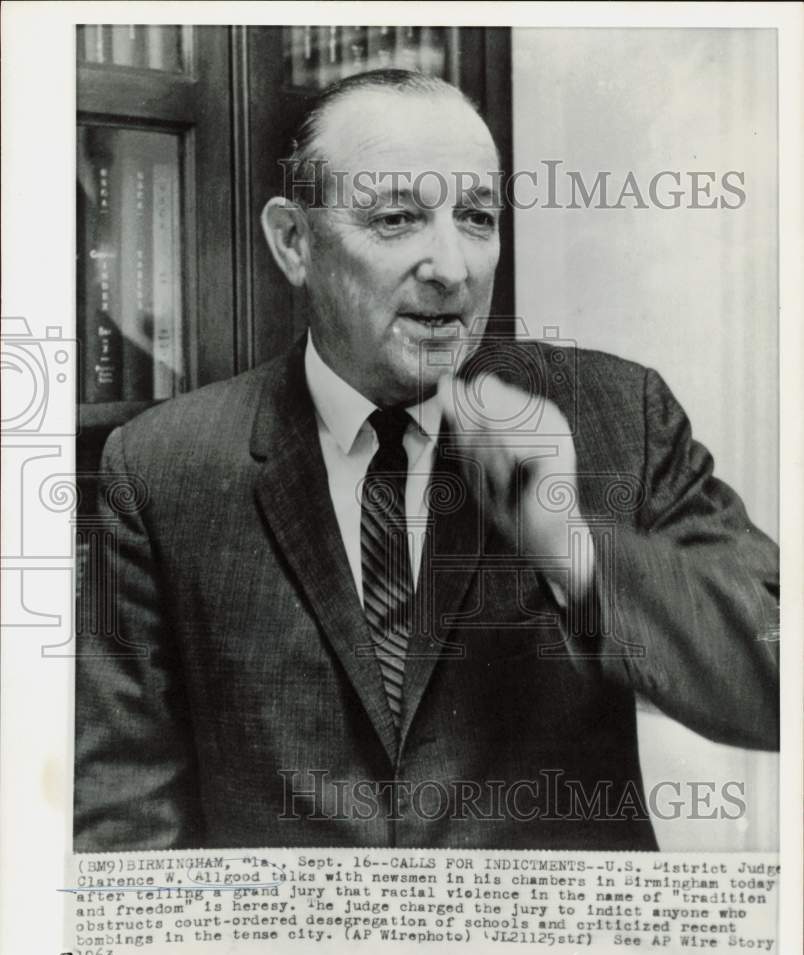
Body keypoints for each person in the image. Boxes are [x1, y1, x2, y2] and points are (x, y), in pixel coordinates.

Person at [74, 70, 779, 852]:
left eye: (477, 218)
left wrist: (570, 549)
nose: (453, 266)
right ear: (293, 241)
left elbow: (779, 683)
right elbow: (125, 819)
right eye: (397, 217)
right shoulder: (164, 467)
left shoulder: (619, 416)